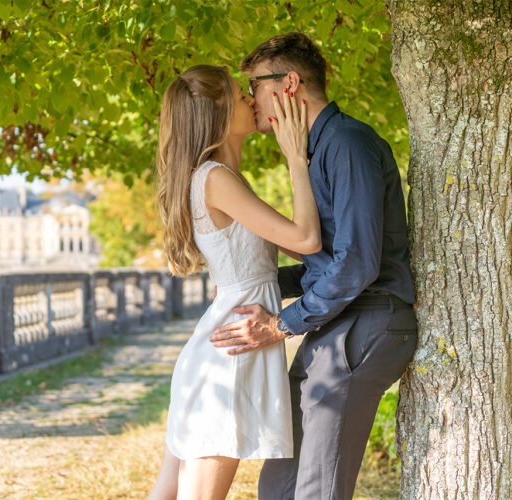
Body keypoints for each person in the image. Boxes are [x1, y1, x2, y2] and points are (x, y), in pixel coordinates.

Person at [209, 32, 418, 499]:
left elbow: (358, 263)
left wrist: (281, 324)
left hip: (367, 322)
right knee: (279, 485)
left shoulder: (346, 143)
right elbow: (324, 265)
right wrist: (253, 284)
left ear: (289, 83)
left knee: (316, 490)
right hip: (335, 322)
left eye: (255, 87)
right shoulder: (313, 149)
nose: (250, 99)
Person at [147, 64, 321, 500]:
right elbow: (306, 237)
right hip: (229, 354)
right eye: (240, 95)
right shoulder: (216, 179)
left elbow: (298, 249)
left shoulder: (220, 179)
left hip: (220, 346)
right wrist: (295, 157)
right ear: (219, 114)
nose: (251, 99)